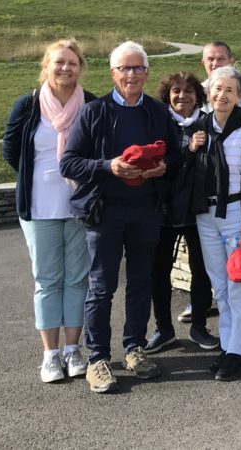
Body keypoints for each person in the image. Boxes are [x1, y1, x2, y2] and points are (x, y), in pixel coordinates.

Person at [60, 41, 181, 394]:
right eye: (125, 69)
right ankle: (97, 357)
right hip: (105, 212)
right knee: (102, 287)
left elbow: (176, 155)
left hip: (145, 211)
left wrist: (163, 167)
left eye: (138, 68)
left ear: (146, 73)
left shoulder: (157, 112)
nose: (132, 74)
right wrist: (108, 166)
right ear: (113, 73)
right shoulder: (94, 112)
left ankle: (134, 348)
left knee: (141, 283)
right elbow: (69, 162)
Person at [2, 39, 95, 383]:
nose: (65, 68)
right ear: (46, 65)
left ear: (80, 67)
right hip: (39, 208)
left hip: (79, 206)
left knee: (76, 279)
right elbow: (11, 150)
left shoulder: (92, 105)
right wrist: (37, 178)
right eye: (59, 62)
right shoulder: (27, 106)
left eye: (72, 63)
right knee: (47, 280)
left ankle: (73, 350)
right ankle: (50, 355)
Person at [185, 66, 241, 381]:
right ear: (210, 91)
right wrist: (190, 148)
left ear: (239, 96)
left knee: (237, 283)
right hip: (205, 216)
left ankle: (237, 350)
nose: (222, 95)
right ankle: (227, 344)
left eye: (229, 90)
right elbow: (183, 170)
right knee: (219, 284)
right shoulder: (198, 128)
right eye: (218, 89)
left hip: (236, 214)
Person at [145, 73, 218, 354]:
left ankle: (199, 325)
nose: (182, 96)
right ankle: (163, 328)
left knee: (202, 270)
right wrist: (188, 150)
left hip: (198, 208)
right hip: (162, 208)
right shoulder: (158, 122)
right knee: (158, 270)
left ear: (198, 95)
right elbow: (159, 162)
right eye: (176, 91)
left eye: (189, 91)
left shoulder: (208, 123)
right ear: (167, 94)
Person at [201, 41, 241, 110]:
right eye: (210, 59)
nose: (215, 63)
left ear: (231, 61)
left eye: (221, 59)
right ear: (203, 62)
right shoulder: (197, 91)